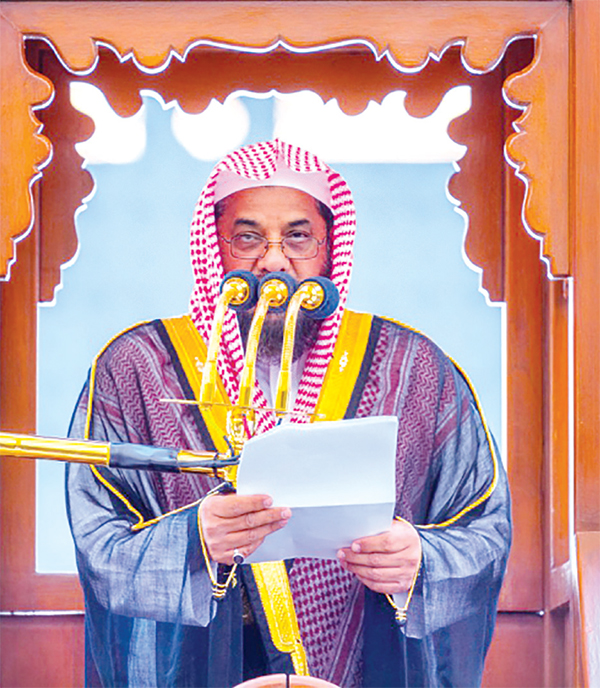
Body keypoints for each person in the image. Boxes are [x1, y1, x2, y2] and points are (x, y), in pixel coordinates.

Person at [66, 139, 511, 687]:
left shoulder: (412, 368)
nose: (274, 261)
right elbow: (99, 544)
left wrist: (420, 560)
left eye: (298, 237)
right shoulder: (136, 368)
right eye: (248, 238)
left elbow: (484, 530)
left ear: (329, 250)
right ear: (216, 249)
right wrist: (192, 542)